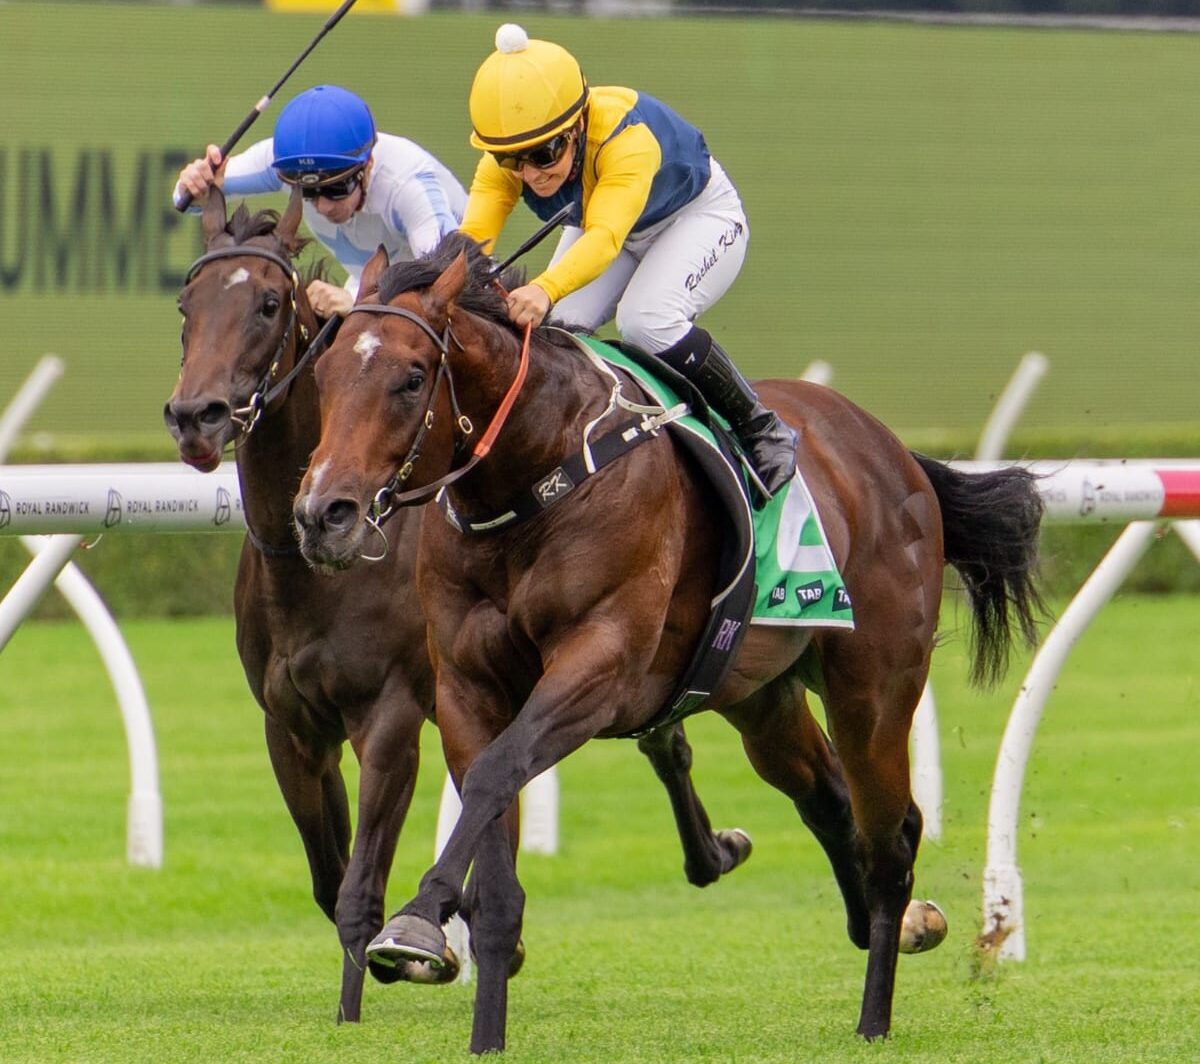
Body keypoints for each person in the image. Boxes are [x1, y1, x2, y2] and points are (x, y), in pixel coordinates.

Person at [459, 24, 797, 496]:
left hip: (694, 217)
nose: (531, 174)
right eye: (511, 160)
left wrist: (543, 287)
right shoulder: (514, 160)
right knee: (557, 331)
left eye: (544, 153)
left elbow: (604, 238)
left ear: (577, 125)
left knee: (646, 320)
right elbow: (472, 239)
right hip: (609, 220)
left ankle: (761, 427)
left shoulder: (626, 139)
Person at [175, 84, 468, 317]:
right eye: (308, 192)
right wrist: (195, 183)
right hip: (375, 298)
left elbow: (446, 291)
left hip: (462, 303)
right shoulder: (286, 164)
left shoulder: (407, 186)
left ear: (367, 167)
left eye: (337, 188)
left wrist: (358, 302)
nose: (323, 206)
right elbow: (189, 198)